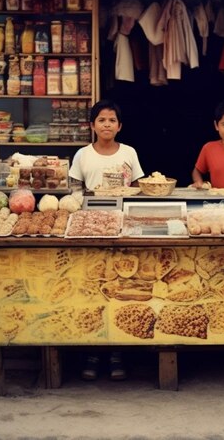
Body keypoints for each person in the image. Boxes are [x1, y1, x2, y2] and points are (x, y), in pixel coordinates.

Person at [68, 99, 144, 381]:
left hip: (122, 226)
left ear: (120, 126)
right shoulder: (82, 155)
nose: (107, 124)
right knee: (92, 288)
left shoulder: (129, 153)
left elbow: (137, 188)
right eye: (101, 120)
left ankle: (117, 352)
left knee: (120, 288)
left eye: (112, 120)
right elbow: (75, 191)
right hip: (90, 227)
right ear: (92, 125)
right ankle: (93, 349)